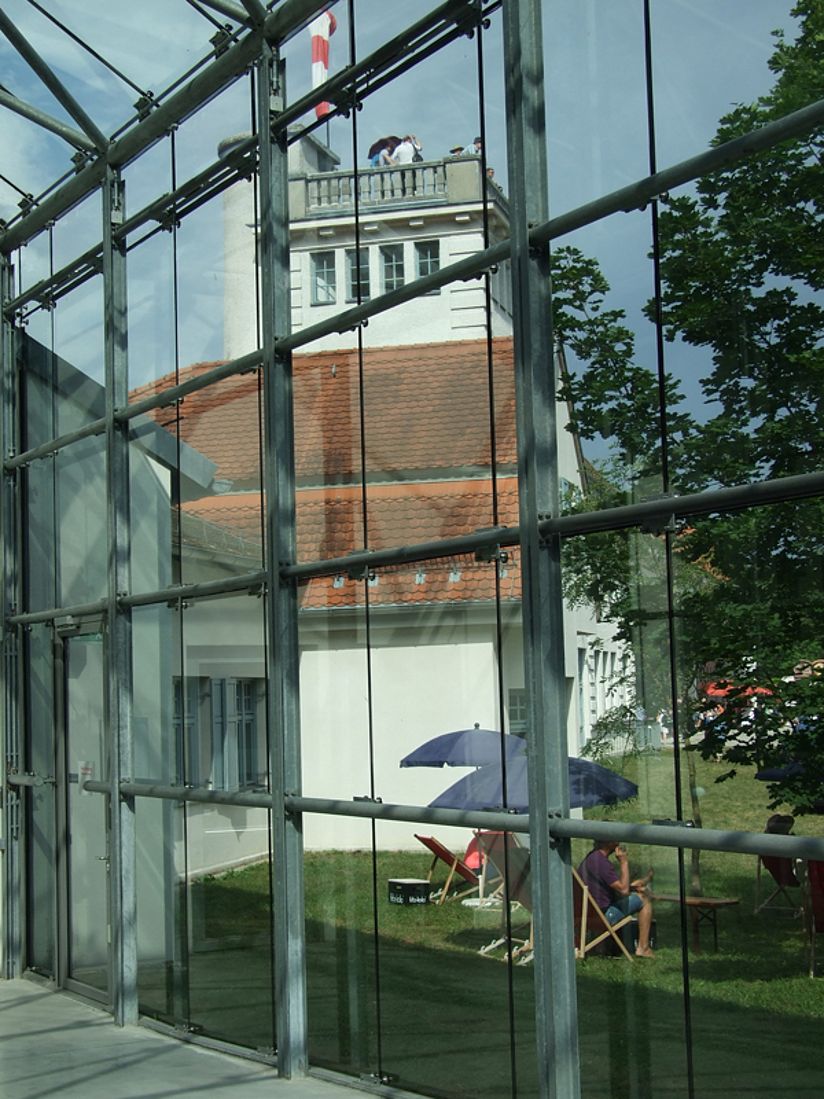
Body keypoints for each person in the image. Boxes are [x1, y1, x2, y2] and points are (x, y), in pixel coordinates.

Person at [577, 839, 655, 957]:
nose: (619, 842)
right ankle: (643, 948)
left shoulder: (591, 858)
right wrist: (624, 862)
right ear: (609, 842)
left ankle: (601, 947)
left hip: (585, 916)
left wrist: (634, 885)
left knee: (636, 892)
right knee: (644, 898)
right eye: (616, 838)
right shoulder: (602, 863)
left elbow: (614, 886)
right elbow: (623, 890)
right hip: (602, 918)